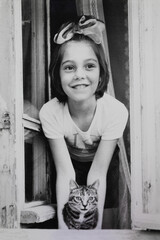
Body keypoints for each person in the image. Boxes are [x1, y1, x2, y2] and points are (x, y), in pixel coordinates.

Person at [39, 15, 128, 229]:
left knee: (103, 222)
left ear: (100, 72)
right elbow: (65, 173)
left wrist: (93, 233)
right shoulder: (50, 112)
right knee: (69, 222)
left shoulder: (115, 111)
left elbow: (98, 173)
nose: (80, 75)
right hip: (70, 166)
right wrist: (65, 232)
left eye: (89, 66)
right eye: (69, 68)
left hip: (104, 168)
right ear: (57, 74)